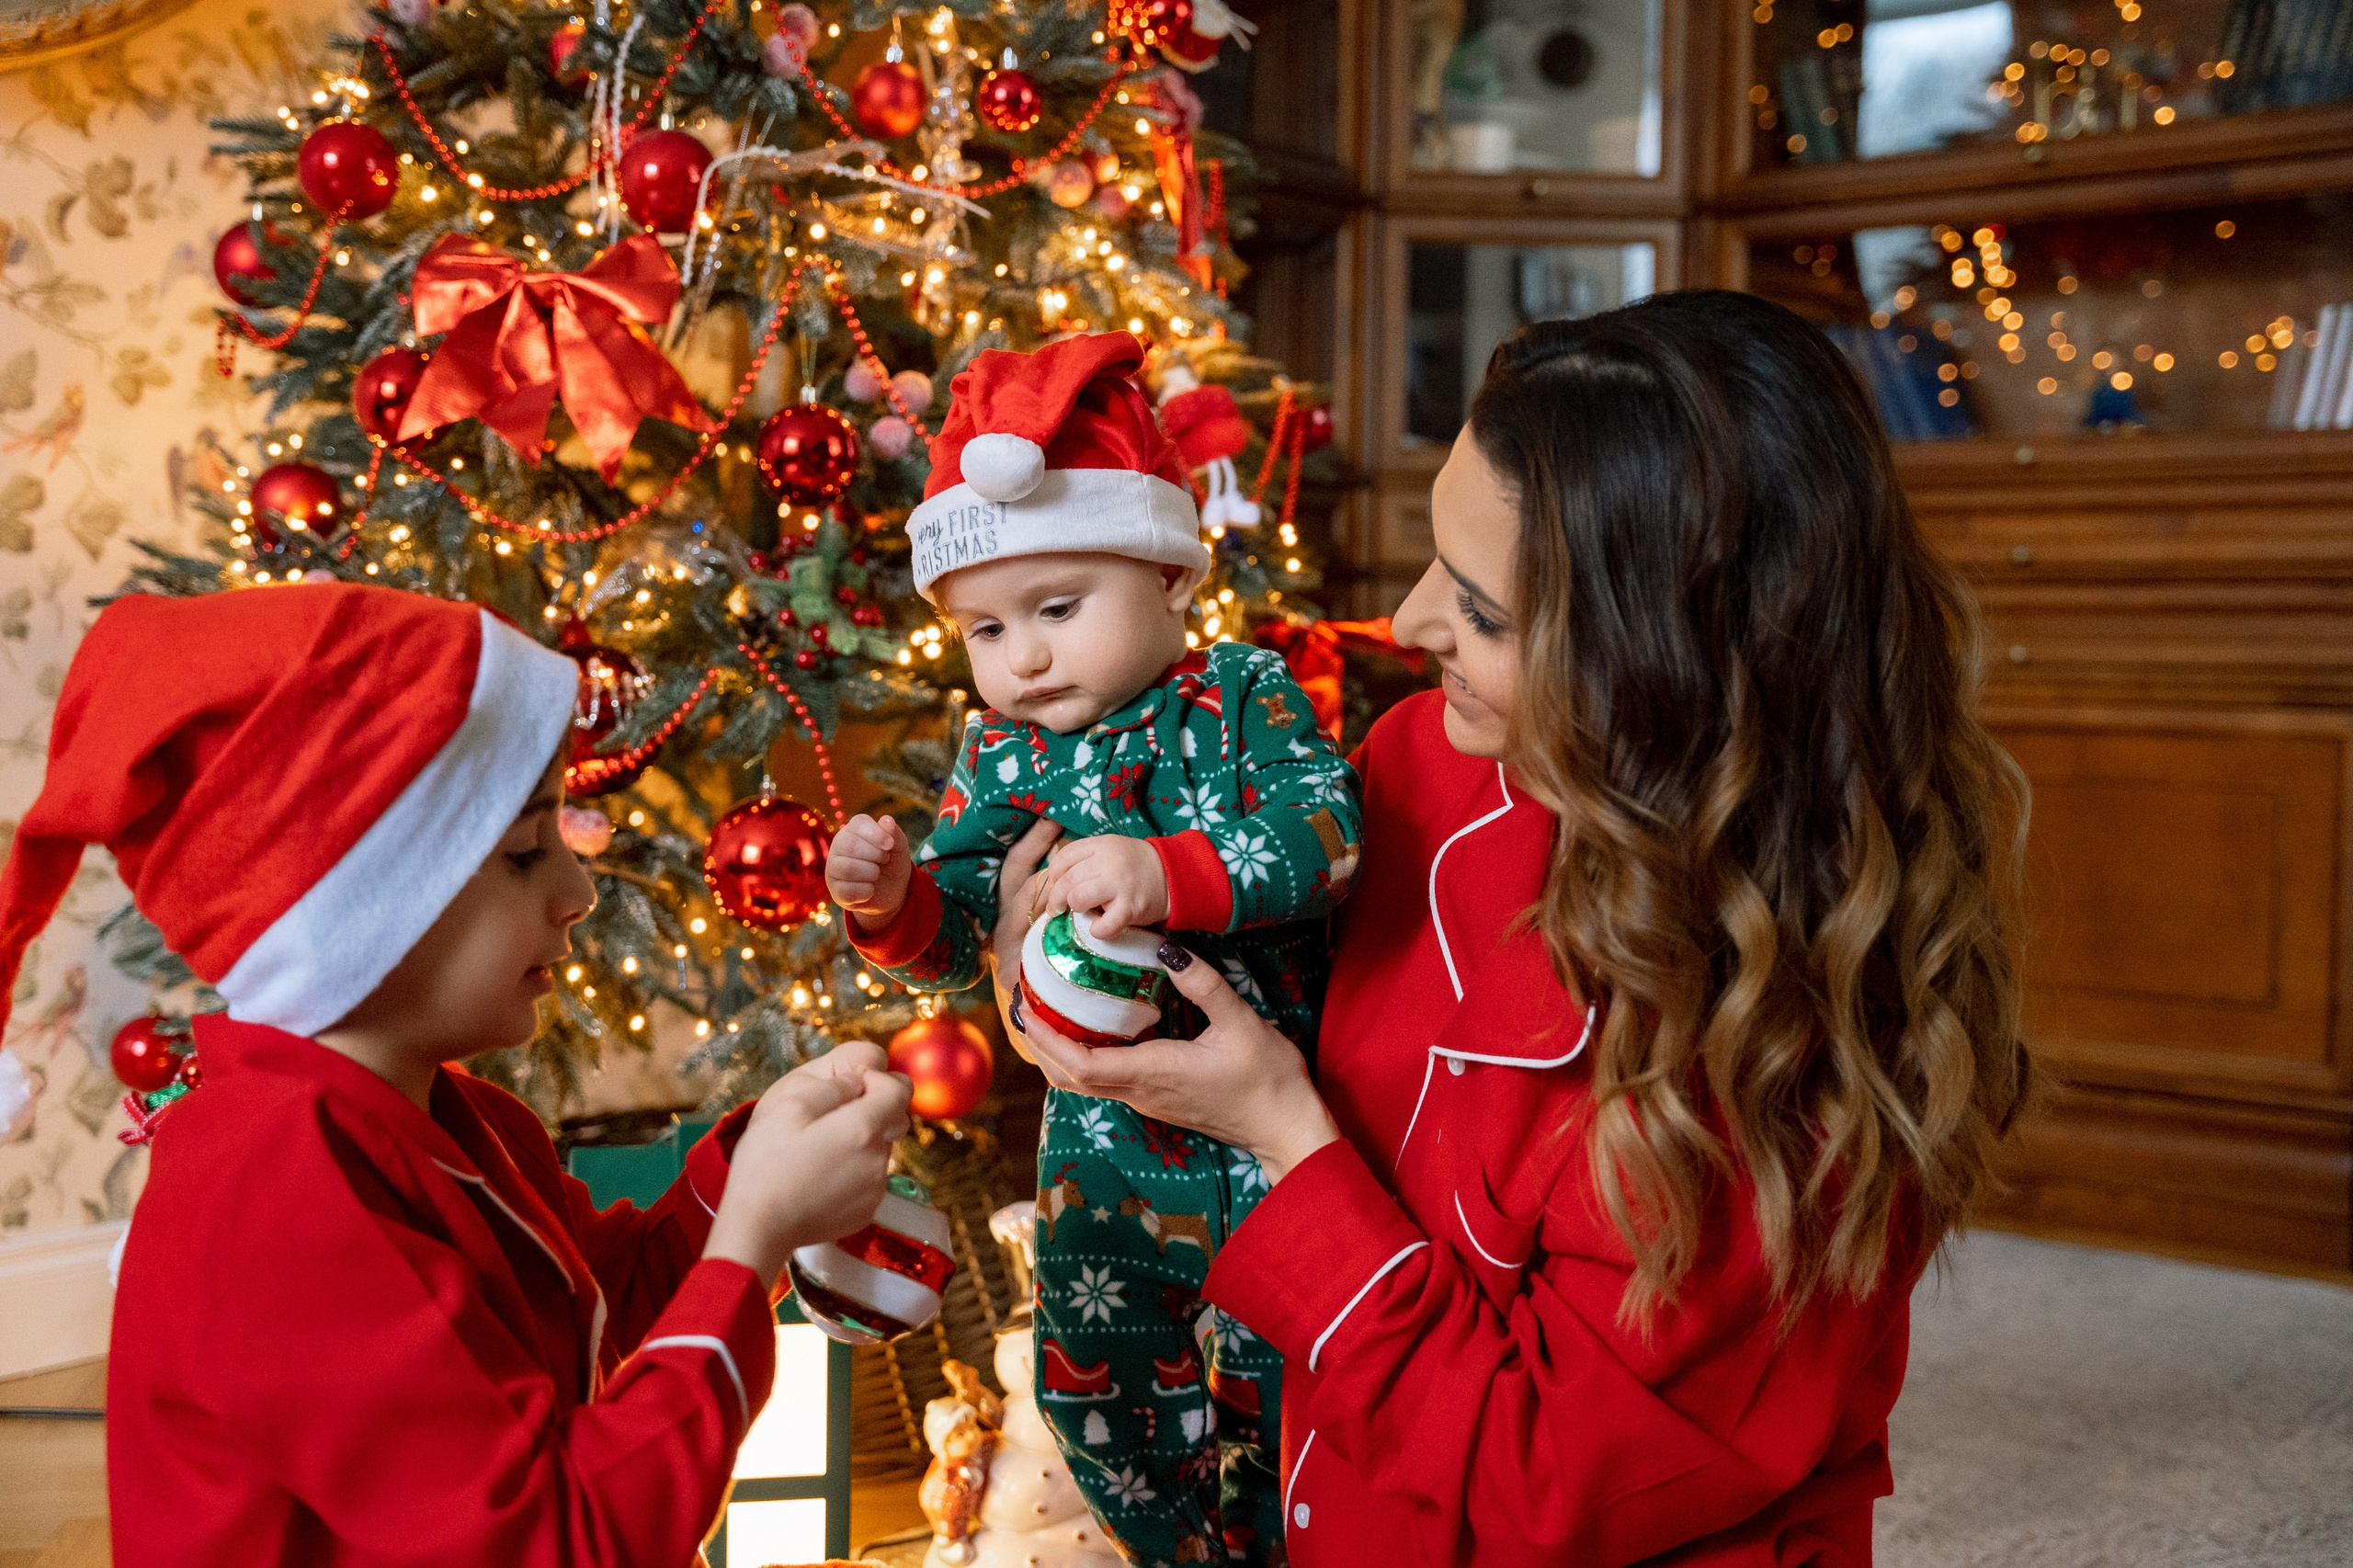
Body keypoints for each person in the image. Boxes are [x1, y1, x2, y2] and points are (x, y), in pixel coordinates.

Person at [998, 291, 2035, 1567]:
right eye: (1440, 560)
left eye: (1484, 613)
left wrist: (1281, 1129)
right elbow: (1245, 980)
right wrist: (1060, 965)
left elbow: (1542, 1481)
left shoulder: (1778, 1050)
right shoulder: (1418, 759)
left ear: (1660, 664)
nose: (1413, 621)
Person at [0, 583, 911, 1566]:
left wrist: (750, 1172)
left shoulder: (448, 1112)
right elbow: (563, 1539)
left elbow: (599, 1307)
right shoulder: (268, 1191)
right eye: (524, 850)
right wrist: (753, 1240)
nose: (579, 888)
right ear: (359, 907)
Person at [824, 331, 1360, 1567]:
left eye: (1058, 608)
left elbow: (1327, 834)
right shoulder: (1001, 755)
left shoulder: (1240, 695)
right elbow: (959, 936)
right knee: (1099, 1395)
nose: (1023, 656)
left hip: (1279, 1135)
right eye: (985, 630)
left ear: (1171, 574)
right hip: (1106, 1160)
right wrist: (894, 897)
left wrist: (1166, 870)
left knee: (1290, 1381)